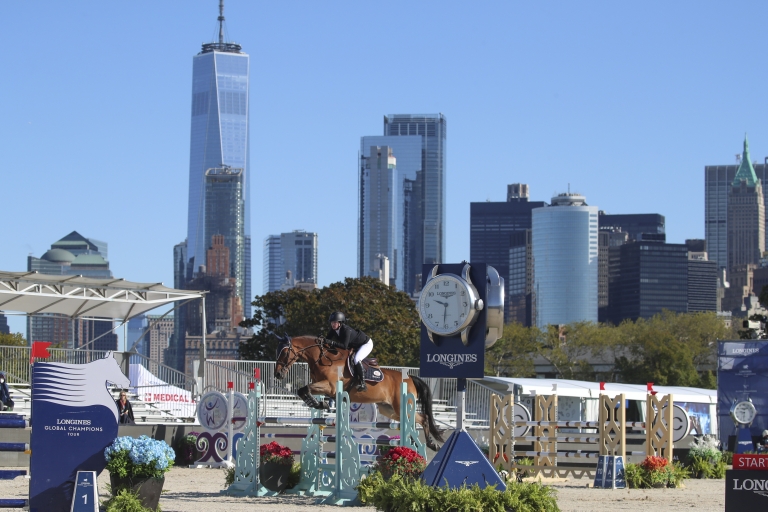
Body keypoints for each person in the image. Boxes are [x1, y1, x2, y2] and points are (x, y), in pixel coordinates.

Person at [324, 312, 373, 392]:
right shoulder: (333, 330)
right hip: (355, 345)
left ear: (340, 323)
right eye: (332, 322)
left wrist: (332, 342)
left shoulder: (346, 330)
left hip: (365, 344)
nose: (333, 324)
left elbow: (344, 346)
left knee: (357, 359)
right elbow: (327, 340)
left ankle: (362, 383)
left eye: (335, 322)